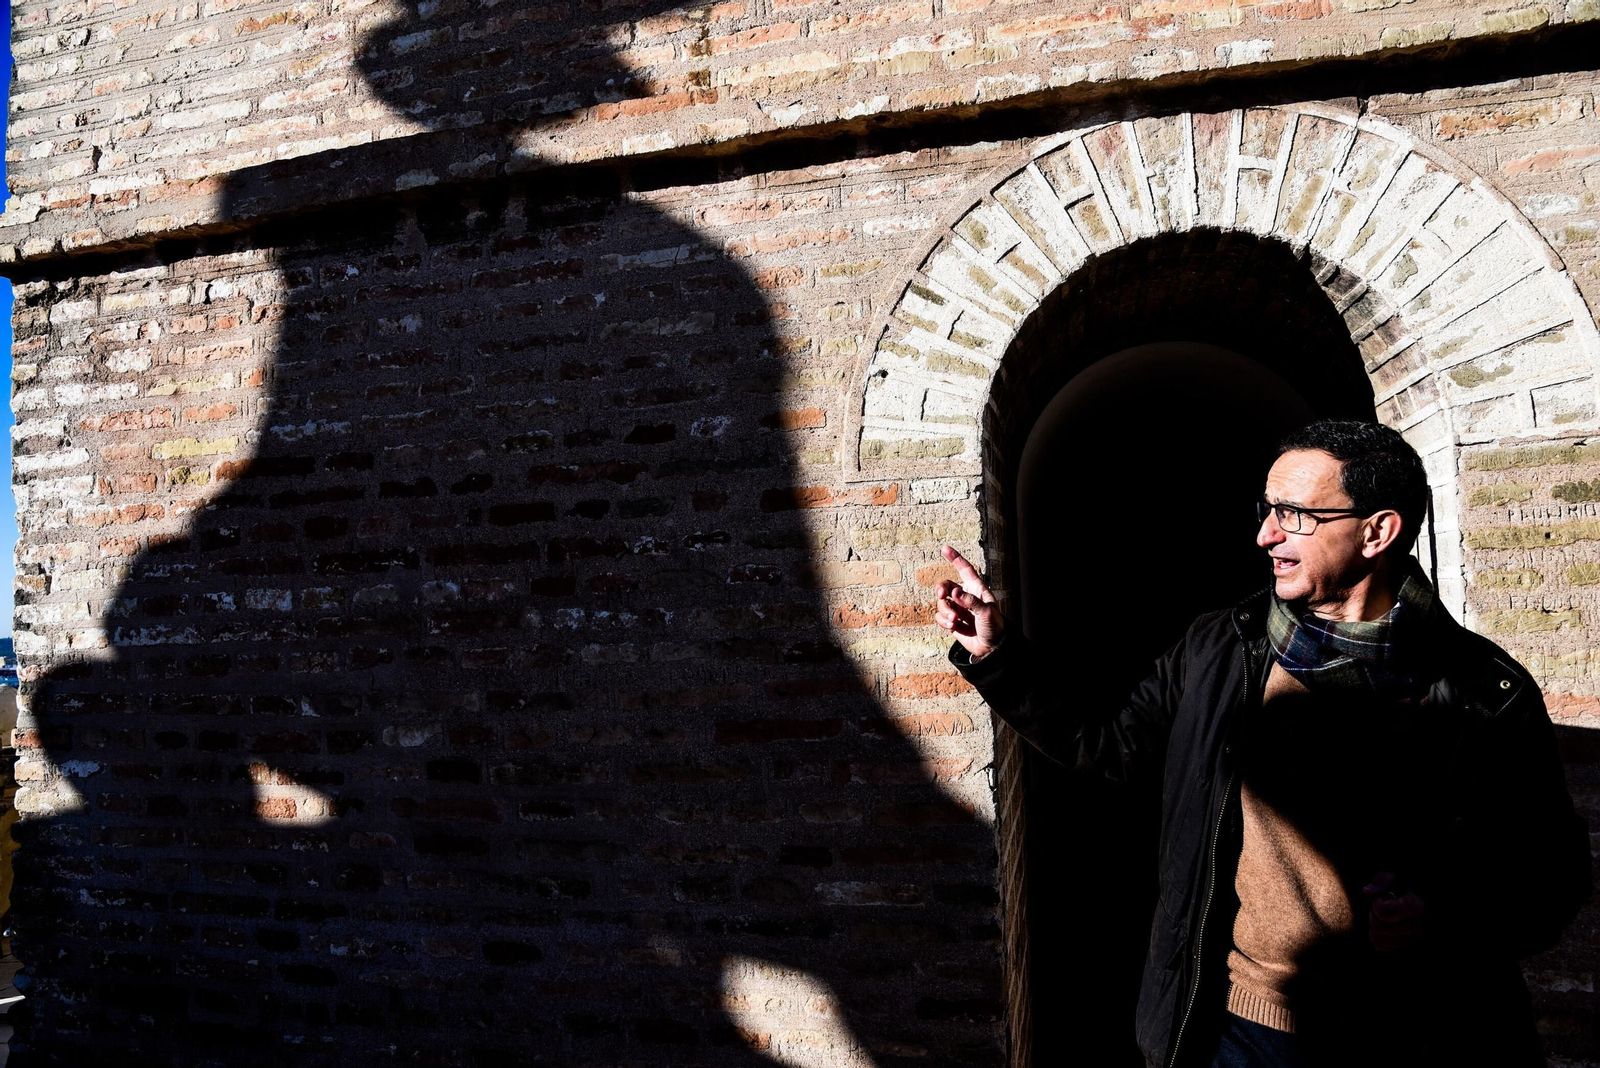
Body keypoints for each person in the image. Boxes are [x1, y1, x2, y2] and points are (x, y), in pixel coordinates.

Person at [933, 419, 1591, 1068]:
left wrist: (1438, 919)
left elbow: (1550, 884)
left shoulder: (1483, 691)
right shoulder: (1224, 646)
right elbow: (1111, 745)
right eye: (1267, 509)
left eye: (1295, 515)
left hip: (1411, 1034)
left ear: (1376, 531)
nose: (1265, 535)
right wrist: (997, 654)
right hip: (1236, 1029)